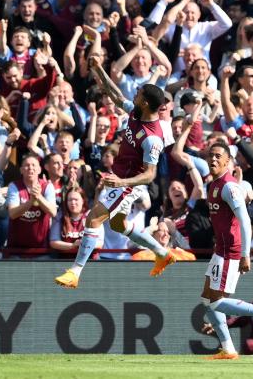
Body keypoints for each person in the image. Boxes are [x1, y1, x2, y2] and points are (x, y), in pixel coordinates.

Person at [55, 59, 177, 288]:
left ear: (147, 103)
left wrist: (122, 182)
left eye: (139, 95)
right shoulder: (135, 112)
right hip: (120, 176)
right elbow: (115, 94)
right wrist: (99, 68)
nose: (135, 96)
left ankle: (75, 272)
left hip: (128, 182)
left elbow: (150, 175)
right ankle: (162, 253)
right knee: (119, 224)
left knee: (94, 218)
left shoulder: (152, 139)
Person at [199, 140, 253, 360]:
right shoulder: (214, 185)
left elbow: (245, 220)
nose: (213, 159)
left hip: (231, 251)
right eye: (211, 155)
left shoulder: (228, 186)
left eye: (219, 156)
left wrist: (246, 253)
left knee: (217, 302)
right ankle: (228, 349)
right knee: (208, 300)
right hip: (220, 249)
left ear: (228, 161)